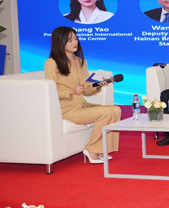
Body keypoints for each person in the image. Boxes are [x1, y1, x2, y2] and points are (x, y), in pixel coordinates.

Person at [44, 26, 121, 163]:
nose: (75, 43)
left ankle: (101, 149)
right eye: (70, 40)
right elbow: (49, 91)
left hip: (81, 105)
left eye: (75, 39)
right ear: (60, 42)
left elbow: (86, 89)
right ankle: (91, 149)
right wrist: (70, 91)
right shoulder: (51, 63)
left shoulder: (81, 61)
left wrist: (97, 86)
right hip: (67, 109)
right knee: (106, 113)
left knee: (116, 110)